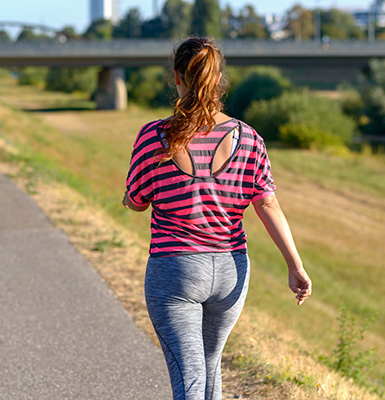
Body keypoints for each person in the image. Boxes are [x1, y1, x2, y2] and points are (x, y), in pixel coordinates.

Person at [122, 37, 311, 400]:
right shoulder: (249, 138)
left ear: (177, 77)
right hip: (230, 272)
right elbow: (267, 205)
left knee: (190, 380)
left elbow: (137, 201)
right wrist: (295, 265)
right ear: (219, 77)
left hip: (175, 270)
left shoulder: (153, 137)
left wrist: (131, 199)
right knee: (209, 372)